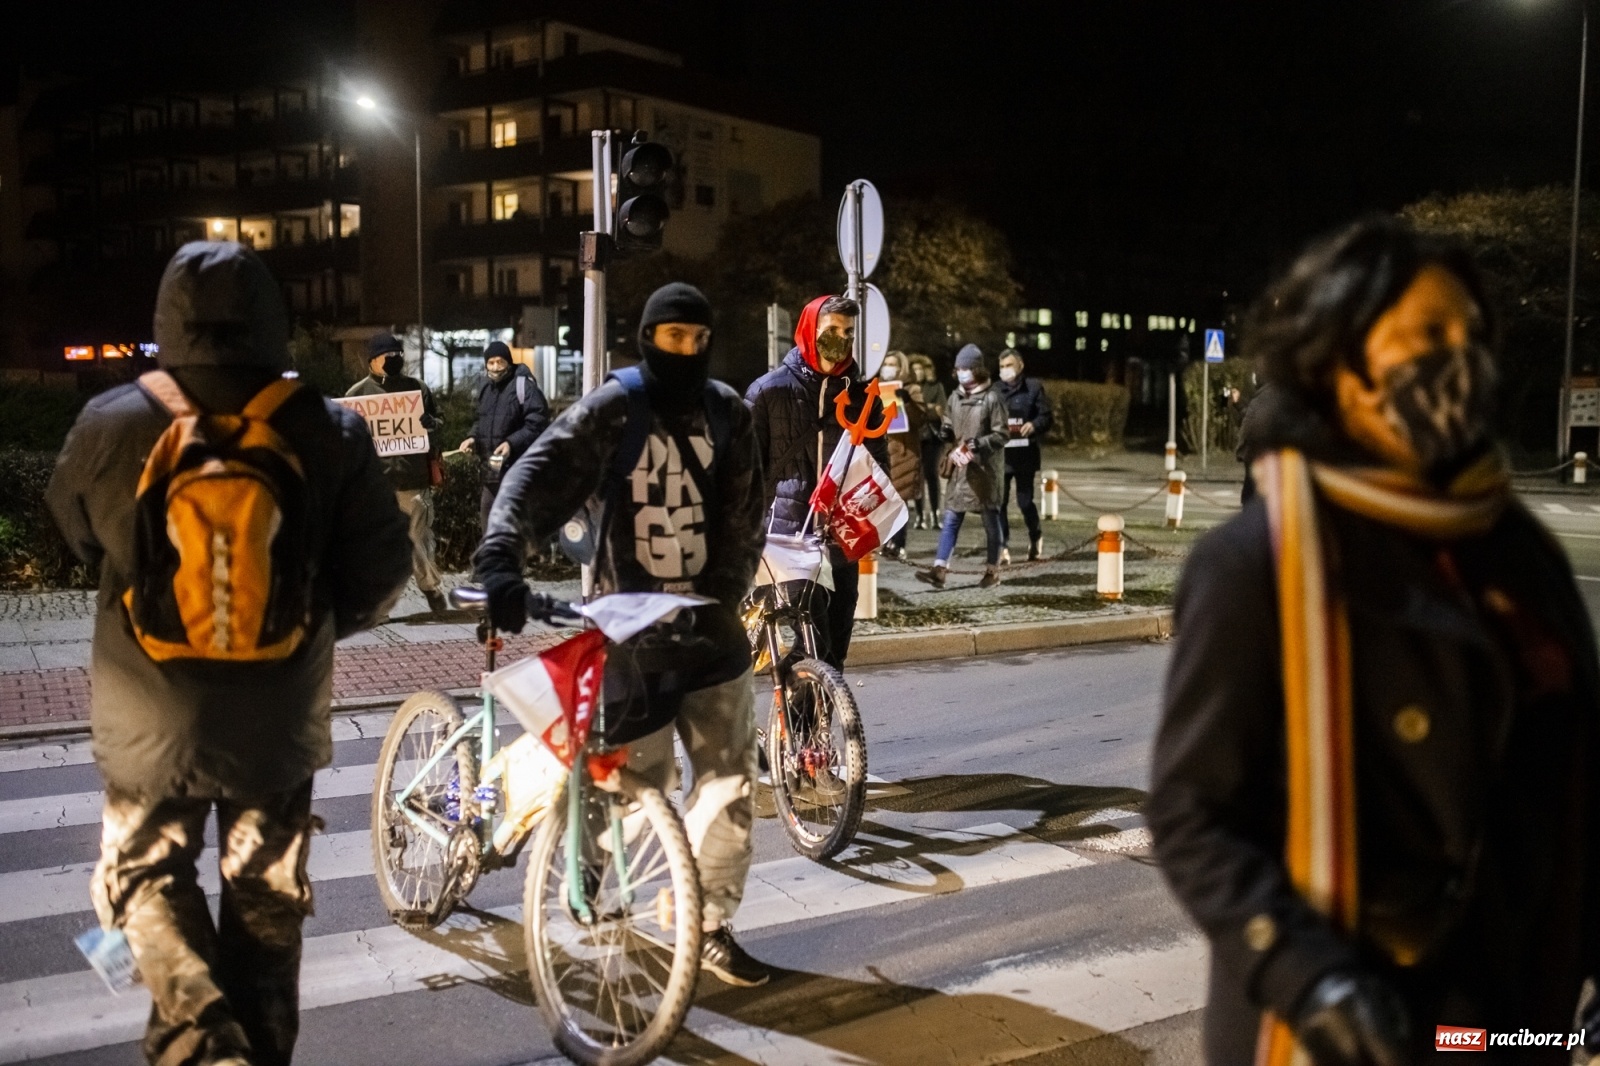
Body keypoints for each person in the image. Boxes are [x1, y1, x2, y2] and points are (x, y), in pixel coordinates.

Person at [1147, 216, 1600, 1066]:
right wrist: (1303, 973)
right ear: (1340, 362)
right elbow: (1192, 813)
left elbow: (1579, 774)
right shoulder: (1258, 566)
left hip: (1513, 1023)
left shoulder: (1516, 548)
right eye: (1427, 334)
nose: (1457, 360)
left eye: (1470, 335)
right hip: (1353, 1025)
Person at [45, 241, 412, 1066]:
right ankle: (258, 1049)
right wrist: (309, 626)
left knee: (145, 879)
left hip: (149, 713)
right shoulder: (327, 426)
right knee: (266, 896)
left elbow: (71, 532)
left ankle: (202, 1039)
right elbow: (383, 571)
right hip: (277, 721)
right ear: (271, 317)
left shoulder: (114, 421)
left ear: (169, 316)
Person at [475, 282, 773, 987]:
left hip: (711, 635)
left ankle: (708, 924)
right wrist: (500, 554)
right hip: (632, 637)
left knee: (730, 785)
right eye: (673, 337)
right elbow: (538, 475)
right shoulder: (616, 407)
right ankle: (587, 866)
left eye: (699, 339)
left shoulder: (728, 411)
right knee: (635, 783)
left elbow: (746, 513)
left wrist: (722, 598)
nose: (688, 350)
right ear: (646, 338)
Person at [745, 294, 889, 670]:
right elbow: (744, 471)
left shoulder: (862, 397)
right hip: (785, 543)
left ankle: (819, 724)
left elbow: (879, 470)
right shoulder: (768, 391)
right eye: (831, 330)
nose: (839, 339)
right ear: (809, 331)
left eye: (848, 332)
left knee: (835, 653)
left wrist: (872, 523)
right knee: (814, 646)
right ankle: (796, 715)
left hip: (841, 543)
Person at [346, 332, 446, 613]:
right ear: (372, 360)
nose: (394, 361)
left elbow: (439, 422)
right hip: (375, 487)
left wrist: (431, 423)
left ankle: (430, 587)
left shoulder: (417, 389)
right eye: (388, 357)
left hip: (411, 480)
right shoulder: (357, 395)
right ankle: (380, 605)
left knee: (416, 541)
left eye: (398, 356)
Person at [917, 344, 1008, 589]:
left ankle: (992, 570)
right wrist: (946, 430)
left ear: (977, 370)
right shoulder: (955, 396)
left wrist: (979, 444)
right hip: (960, 466)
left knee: (991, 520)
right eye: (958, 369)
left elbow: (1002, 434)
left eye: (966, 368)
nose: (961, 373)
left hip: (985, 470)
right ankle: (940, 569)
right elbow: (948, 419)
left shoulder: (992, 398)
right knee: (951, 519)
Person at [458, 339, 550, 529]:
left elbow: (538, 424)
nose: (496, 367)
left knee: (511, 533)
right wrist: (472, 437)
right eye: (491, 363)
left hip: (517, 473)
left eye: (500, 362)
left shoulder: (524, 387)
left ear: (509, 362)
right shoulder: (486, 388)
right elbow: (480, 420)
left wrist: (511, 443)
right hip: (492, 473)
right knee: (488, 529)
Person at [995, 349, 1054, 563]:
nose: (1005, 370)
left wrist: (1034, 425)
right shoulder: (995, 390)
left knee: (1024, 501)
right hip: (1001, 455)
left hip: (1025, 455)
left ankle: (1035, 536)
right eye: (1001, 367)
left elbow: (1046, 416)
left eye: (1008, 365)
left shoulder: (1034, 388)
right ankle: (1002, 546)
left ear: (1020, 366)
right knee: (999, 502)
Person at [875, 350, 925, 561]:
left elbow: (920, 419)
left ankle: (899, 543)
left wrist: (908, 402)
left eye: (893, 364)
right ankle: (888, 541)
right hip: (883, 450)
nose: (888, 367)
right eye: (886, 363)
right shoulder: (876, 388)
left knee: (899, 500)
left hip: (905, 452)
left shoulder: (912, 389)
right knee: (884, 501)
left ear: (901, 367)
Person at [908, 353, 947, 529]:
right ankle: (920, 515)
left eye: (920, 368)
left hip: (932, 436)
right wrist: (927, 408)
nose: (918, 372)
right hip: (915, 435)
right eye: (914, 368)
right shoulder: (908, 388)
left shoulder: (936, 387)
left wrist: (925, 409)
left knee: (931, 474)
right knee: (917, 475)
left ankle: (935, 513)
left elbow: (940, 410)